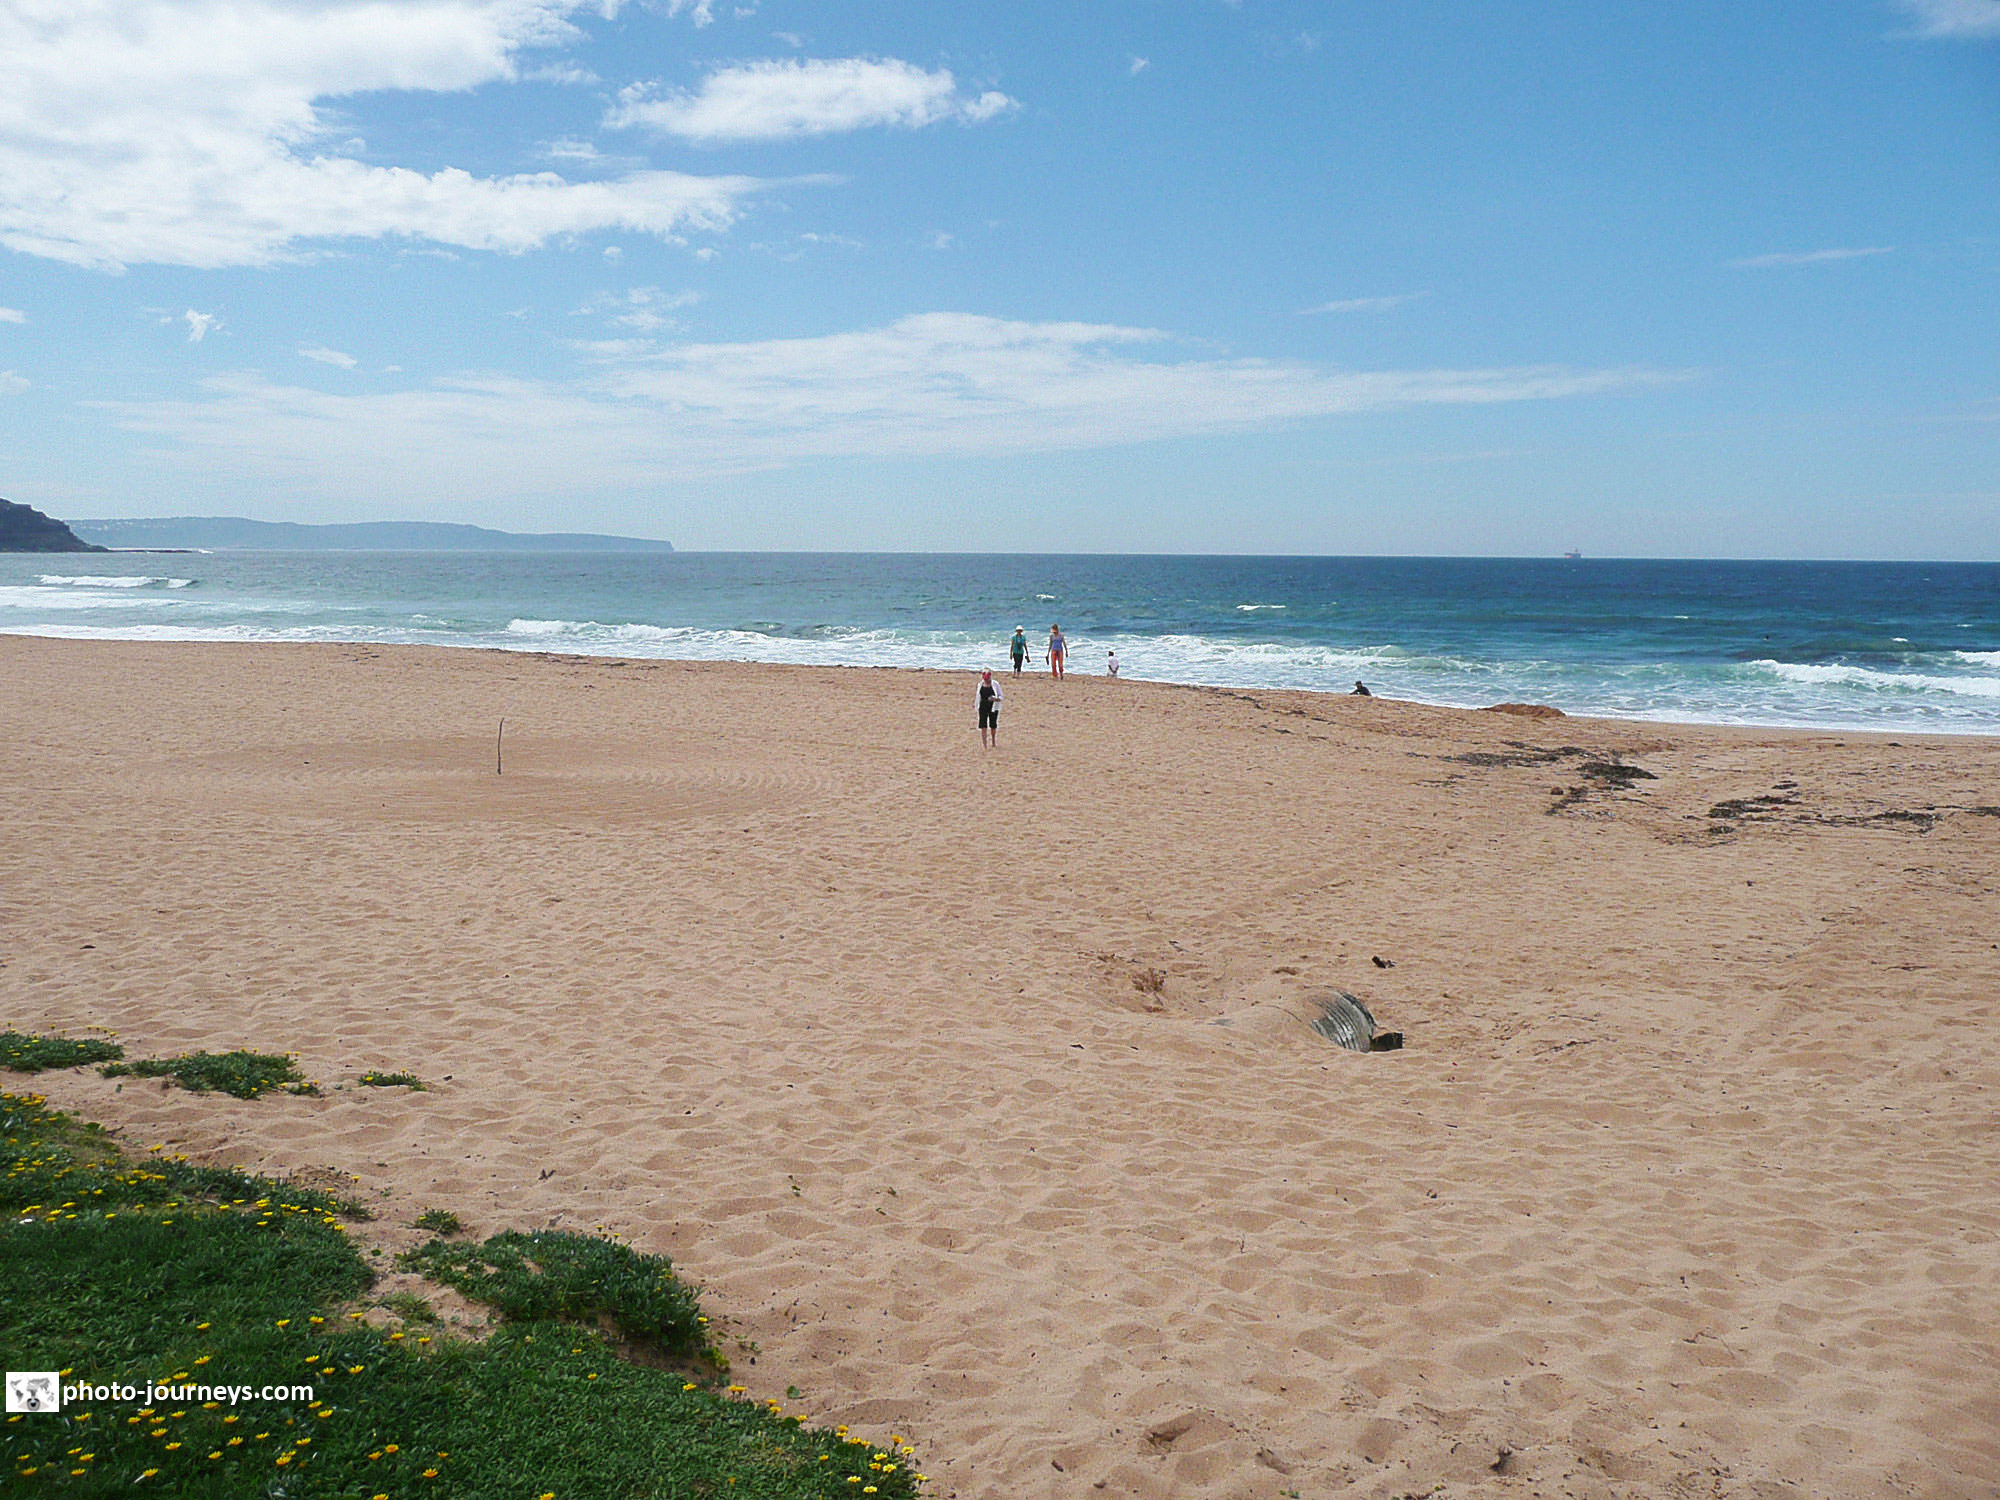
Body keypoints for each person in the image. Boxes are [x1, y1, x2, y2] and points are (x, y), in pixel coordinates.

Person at [976, 669, 1003, 748]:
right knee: (983, 725)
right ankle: (984, 744)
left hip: (993, 707)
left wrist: (995, 699)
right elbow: (978, 697)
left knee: (993, 725)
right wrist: (977, 705)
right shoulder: (980, 685)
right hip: (983, 707)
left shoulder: (995, 684)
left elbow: (1001, 696)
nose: (986, 680)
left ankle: (993, 741)